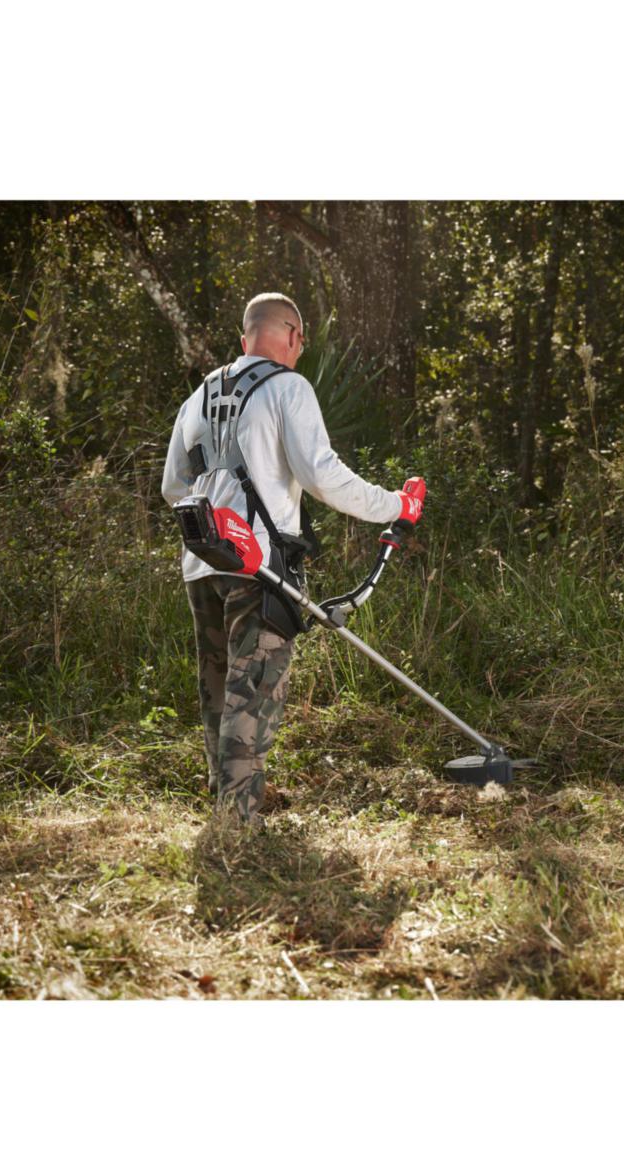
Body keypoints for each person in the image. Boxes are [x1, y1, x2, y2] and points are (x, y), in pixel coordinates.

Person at [161, 292, 424, 828]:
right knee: (254, 690)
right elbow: (323, 476)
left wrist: (217, 517)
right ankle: (237, 821)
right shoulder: (288, 387)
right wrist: (397, 505)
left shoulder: (199, 396)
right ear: (293, 336)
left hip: (202, 562)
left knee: (218, 683)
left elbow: (173, 487)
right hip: (258, 565)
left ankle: (225, 797)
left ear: (244, 339)